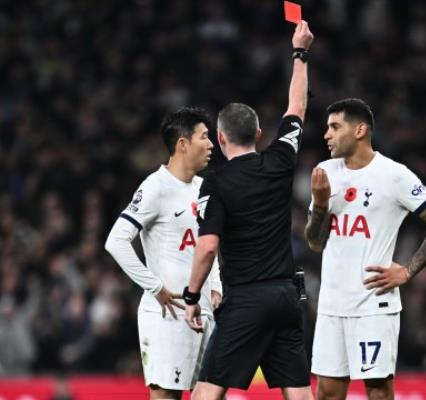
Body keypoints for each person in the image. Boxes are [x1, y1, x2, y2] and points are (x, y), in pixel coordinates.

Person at [183, 21, 314, 400]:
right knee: (299, 391)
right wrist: (300, 53)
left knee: (208, 389)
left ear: (220, 137)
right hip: (286, 297)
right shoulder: (280, 160)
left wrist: (192, 298)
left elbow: (207, 247)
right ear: (258, 134)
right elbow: (298, 107)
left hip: (246, 299)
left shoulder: (216, 183)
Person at [305, 98, 426, 400]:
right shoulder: (325, 171)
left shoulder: (394, 175)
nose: (327, 135)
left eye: (335, 127)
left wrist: (408, 271)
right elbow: (314, 242)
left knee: (377, 392)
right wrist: (320, 206)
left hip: (373, 304)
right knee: (326, 394)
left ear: (360, 129)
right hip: (332, 302)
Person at [105, 107, 222, 400]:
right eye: (204, 137)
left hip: (204, 312)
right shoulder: (155, 187)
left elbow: (208, 243)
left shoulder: (205, 188)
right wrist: (155, 287)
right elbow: (116, 240)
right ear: (182, 144)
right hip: (167, 316)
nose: (211, 144)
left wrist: (216, 284)